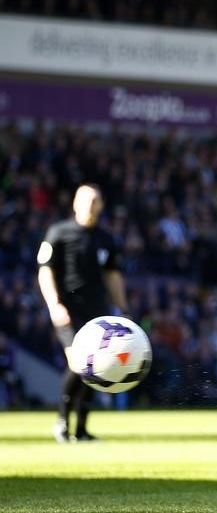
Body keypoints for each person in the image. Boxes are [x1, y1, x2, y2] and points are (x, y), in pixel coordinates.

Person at [37, 184, 129, 443]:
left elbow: (112, 276)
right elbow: (45, 271)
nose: (91, 204)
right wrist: (54, 304)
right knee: (78, 364)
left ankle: (82, 430)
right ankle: (63, 423)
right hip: (68, 311)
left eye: (96, 200)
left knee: (95, 369)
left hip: (97, 313)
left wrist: (123, 308)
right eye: (86, 199)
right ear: (75, 203)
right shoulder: (58, 232)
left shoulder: (106, 239)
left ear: (101, 205)